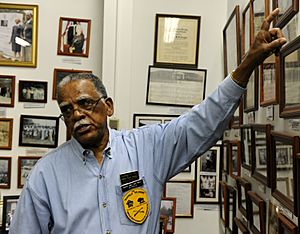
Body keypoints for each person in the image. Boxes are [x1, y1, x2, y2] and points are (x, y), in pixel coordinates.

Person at [9, 8, 286, 234]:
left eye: (84, 104)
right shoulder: (45, 175)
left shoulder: (147, 147)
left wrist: (249, 62)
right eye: (67, 110)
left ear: (108, 106)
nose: (77, 115)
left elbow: (202, 122)